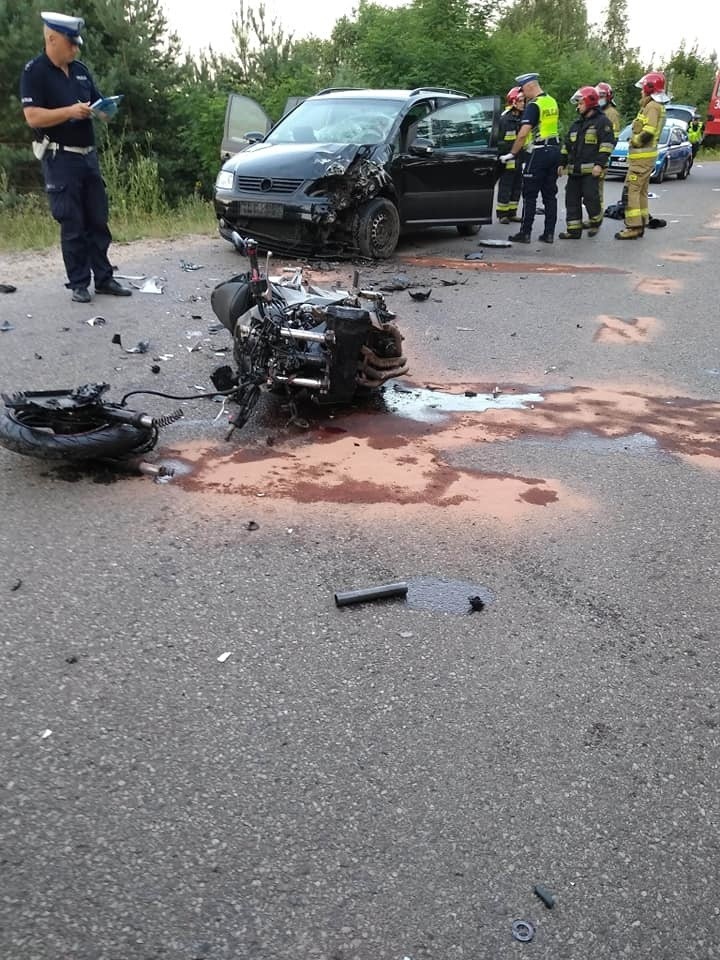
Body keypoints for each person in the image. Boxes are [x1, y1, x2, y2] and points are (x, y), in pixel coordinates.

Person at [20, 12, 131, 303]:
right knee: (73, 223)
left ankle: (104, 278)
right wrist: (69, 111)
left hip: (88, 157)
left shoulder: (81, 71)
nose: (76, 49)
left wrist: (105, 110)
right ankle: (79, 283)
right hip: (61, 159)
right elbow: (32, 116)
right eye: (71, 43)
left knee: (97, 219)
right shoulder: (35, 72)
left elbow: (97, 104)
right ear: (52, 39)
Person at [499, 72, 561, 244]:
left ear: (529, 87)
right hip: (554, 150)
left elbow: (523, 134)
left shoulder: (534, 105)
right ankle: (549, 234)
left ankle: (525, 233)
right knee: (550, 194)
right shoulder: (551, 101)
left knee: (530, 194)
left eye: (523, 90)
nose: (523, 95)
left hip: (539, 152)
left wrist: (512, 153)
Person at [615, 71, 669, 240]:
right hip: (645, 158)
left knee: (633, 190)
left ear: (649, 88)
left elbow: (649, 131)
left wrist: (635, 141)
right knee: (642, 191)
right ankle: (642, 220)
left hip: (642, 158)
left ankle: (634, 226)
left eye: (642, 88)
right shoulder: (651, 105)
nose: (640, 91)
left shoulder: (652, 106)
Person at [557, 86, 616, 239]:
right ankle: (573, 230)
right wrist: (561, 163)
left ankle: (595, 221)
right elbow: (566, 145)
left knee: (591, 198)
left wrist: (599, 164)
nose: (578, 106)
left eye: (580, 103)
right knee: (571, 200)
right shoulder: (576, 124)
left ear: (589, 102)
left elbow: (607, 144)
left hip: (591, 171)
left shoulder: (602, 122)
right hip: (574, 171)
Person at [495, 87, 527, 224]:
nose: (523, 103)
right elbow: (500, 142)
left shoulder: (523, 118)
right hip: (507, 158)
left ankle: (512, 212)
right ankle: (502, 214)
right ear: (513, 102)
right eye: (520, 100)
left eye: (524, 100)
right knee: (506, 186)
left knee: (517, 186)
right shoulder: (504, 119)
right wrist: (504, 157)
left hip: (519, 158)